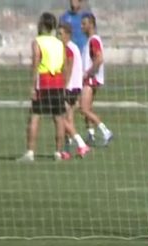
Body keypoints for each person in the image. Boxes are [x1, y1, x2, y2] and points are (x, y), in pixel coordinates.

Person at [18, 13, 69, 162]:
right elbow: (65, 66)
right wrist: (64, 85)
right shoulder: (59, 43)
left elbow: (35, 62)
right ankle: (58, 152)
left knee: (35, 116)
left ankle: (30, 152)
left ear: (41, 25)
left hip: (44, 81)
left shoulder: (37, 42)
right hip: (58, 82)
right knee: (59, 118)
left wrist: (33, 85)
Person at [58, 22, 91, 156]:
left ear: (67, 34)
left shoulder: (67, 49)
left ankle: (81, 144)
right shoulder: (74, 47)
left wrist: (63, 86)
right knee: (69, 119)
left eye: (60, 33)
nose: (58, 36)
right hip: (75, 87)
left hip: (69, 87)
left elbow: (68, 69)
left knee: (61, 118)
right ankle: (67, 149)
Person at [79, 14, 113, 146]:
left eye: (84, 24)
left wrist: (88, 73)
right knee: (87, 108)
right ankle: (90, 135)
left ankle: (106, 131)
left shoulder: (93, 40)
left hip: (90, 80)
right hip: (90, 79)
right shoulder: (89, 41)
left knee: (84, 108)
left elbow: (99, 59)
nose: (82, 26)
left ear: (91, 24)